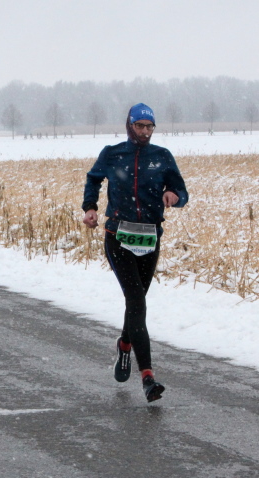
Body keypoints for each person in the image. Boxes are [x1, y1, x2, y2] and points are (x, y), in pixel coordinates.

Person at [82, 103, 189, 403]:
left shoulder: (162, 157)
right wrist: (90, 207)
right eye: (139, 126)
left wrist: (174, 195)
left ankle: (125, 344)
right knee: (137, 302)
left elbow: (182, 192)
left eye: (149, 126)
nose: (144, 131)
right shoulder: (113, 153)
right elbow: (93, 179)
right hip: (118, 236)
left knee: (136, 302)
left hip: (150, 239)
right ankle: (148, 378)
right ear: (129, 125)